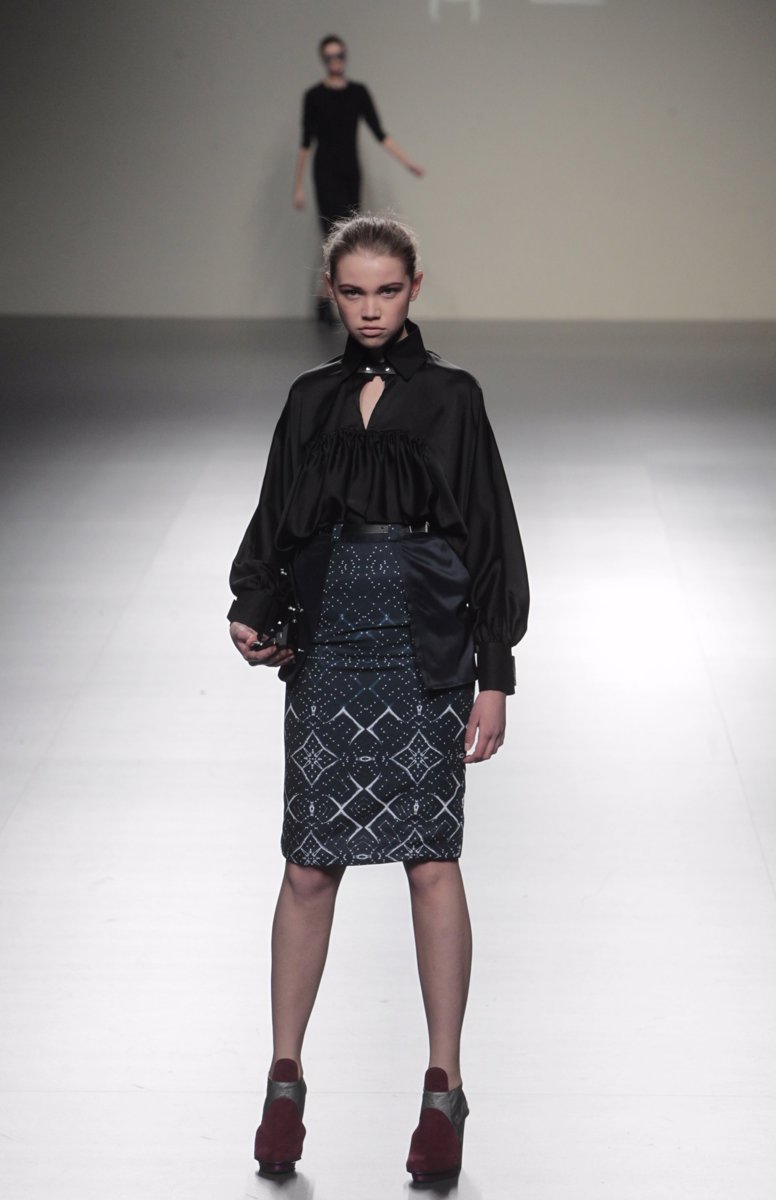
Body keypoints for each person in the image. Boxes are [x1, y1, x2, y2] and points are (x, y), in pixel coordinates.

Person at [228, 214, 528, 1183]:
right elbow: (275, 519)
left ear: (414, 289)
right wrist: (251, 610)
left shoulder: (452, 398)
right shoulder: (309, 398)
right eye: (353, 291)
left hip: (424, 641)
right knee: (309, 863)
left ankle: (443, 1087)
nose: (369, 309)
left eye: (386, 290)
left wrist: (494, 675)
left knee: (430, 859)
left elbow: (489, 535)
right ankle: (283, 1080)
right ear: (332, 291)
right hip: (328, 643)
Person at [292, 35, 425, 322]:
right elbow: (305, 143)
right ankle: (328, 300)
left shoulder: (358, 93)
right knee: (331, 234)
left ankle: (327, 299)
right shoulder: (314, 97)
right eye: (329, 57)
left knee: (347, 234)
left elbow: (380, 133)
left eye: (339, 55)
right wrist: (298, 186)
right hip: (325, 172)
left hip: (350, 173)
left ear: (345, 56)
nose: (335, 61)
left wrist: (408, 163)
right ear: (323, 60)